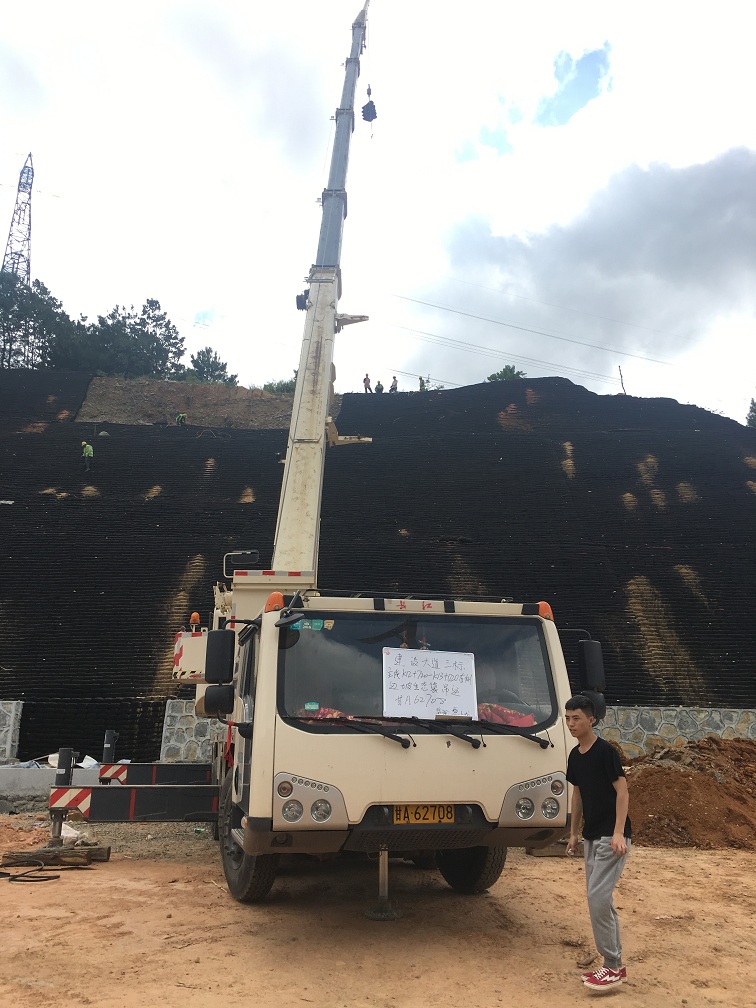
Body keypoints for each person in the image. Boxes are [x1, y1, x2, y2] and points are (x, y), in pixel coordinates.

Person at [565, 695, 631, 991]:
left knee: (598, 899)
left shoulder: (605, 752)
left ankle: (612, 966)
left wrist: (618, 832)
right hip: (591, 836)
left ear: (591, 720)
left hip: (611, 836)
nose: (571, 724)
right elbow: (578, 794)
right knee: (601, 900)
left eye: (576, 718)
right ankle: (615, 965)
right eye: (568, 719)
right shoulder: (575, 756)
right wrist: (573, 832)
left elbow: (623, 792)